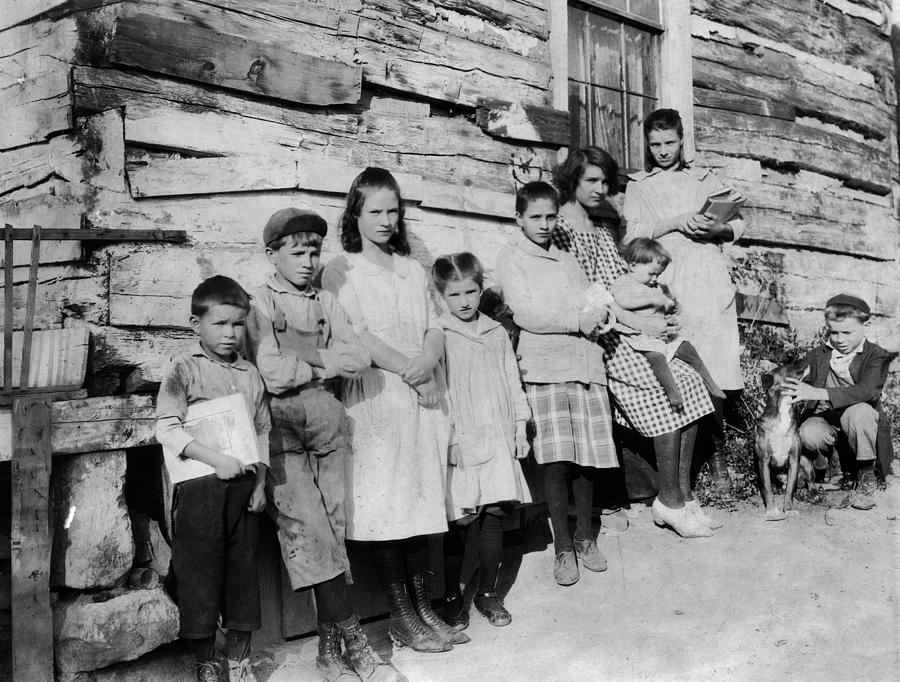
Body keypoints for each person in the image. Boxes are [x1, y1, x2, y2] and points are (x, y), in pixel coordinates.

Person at [244, 208, 404, 682]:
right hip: (280, 430)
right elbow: (271, 372)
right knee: (307, 529)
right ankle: (356, 639)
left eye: (314, 251)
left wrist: (308, 359)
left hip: (328, 423)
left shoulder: (327, 301)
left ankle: (328, 653)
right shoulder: (260, 304)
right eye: (297, 252)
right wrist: (325, 361)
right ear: (272, 255)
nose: (308, 260)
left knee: (333, 529)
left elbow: (358, 356)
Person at [321, 167, 466, 653]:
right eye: (374, 211)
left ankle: (424, 610)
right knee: (388, 507)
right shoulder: (342, 270)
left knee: (423, 502)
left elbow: (434, 326)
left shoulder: (412, 269)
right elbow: (356, 335)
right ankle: (400, 618)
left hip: (423, 394)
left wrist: (428, 361)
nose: (385, 220)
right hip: (379, 396)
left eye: (392, 210)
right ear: (355, 214)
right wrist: (412, 371)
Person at [552, 146, 717, 538]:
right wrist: (639, 323)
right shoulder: (558, 229)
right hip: (598, 338)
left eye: (606, 182)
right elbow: (591, 296)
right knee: (662, 391)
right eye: (591, 180)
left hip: (627, 331)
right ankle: (671, 501)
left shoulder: (602, 233)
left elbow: (623, 286)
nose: (600, 189)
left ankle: (680, 496)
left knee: (690, 382)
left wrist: (655, 318)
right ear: (572, 179)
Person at [495, 181, 617, 586]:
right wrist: (575, 319)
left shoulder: (567, 260)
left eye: (551, 217)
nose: (544, 224)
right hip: (546, 368)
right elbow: (527, 312)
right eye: (536, 217)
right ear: (519, 218)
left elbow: (590, 299)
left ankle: (585, 537)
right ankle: (562, 546)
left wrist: (598, 313)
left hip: (584, 365)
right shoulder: (513, 259)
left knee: (586, 456)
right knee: (556, 457)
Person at [155, 275, 270, 682]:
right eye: (220, 324)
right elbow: (167, 429)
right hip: (199, 490)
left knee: (242, 574)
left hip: (242, 491)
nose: (230, 333)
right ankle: (206, 662)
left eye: (237, 324)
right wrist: (216, 458)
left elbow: (261, 431)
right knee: (200, 576)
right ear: (195, 324)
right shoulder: (183, 370)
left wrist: (259, 485)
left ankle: (239, 661)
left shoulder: (250, 374)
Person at [623, 108, 745, 490]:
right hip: (669, 275)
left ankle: (718, 453)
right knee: (681, 360)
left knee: (716, 361)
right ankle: (683, 468)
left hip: (707, 274)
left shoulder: (704, 179)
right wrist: (675, 221)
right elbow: (631, 236)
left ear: (682, 140)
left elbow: (738, 222)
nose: (662, 150)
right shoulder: (640, 185)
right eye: (655, 144)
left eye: (670, 142)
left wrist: (717, 226)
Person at [431, 252, 532, 628]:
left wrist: (520, 428)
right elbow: (439, 390)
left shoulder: (495, 331)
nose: (465, 302)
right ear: (442, 295)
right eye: (455, 295)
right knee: (461, 518)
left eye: (471, 292)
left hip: (497, 432)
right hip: (461, 436)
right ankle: (452, 598)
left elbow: (512, 381)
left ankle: (487, 593)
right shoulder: (439, 334)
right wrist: (450, 438)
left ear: (481, 288)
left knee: (493, 514)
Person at [786, 294, 896, 510]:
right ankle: (836, 471)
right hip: (828, 419)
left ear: (866, 325)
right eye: (833, 332)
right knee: (809, 432)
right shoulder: (819, 354)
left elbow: (867, 392)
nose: (839, 339)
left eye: (847, 332)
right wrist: (777, 397)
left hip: (858, 420)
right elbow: (798, 379)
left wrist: (818, 393)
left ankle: (865, 478)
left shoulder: (876, 356)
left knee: (860, 414)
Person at [612, 237, 725, 408]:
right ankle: (672, 392)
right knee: (657, 357)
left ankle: (710, 382)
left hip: (661, 333)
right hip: (638, 334)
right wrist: (653, 299)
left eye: (658, 274)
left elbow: (666, 304)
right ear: (633, 266)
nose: (655, 279)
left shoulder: (655, 287)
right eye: (652, 273)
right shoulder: (624, 283)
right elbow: (623, 302)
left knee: (687, 347)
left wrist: (673, 308)